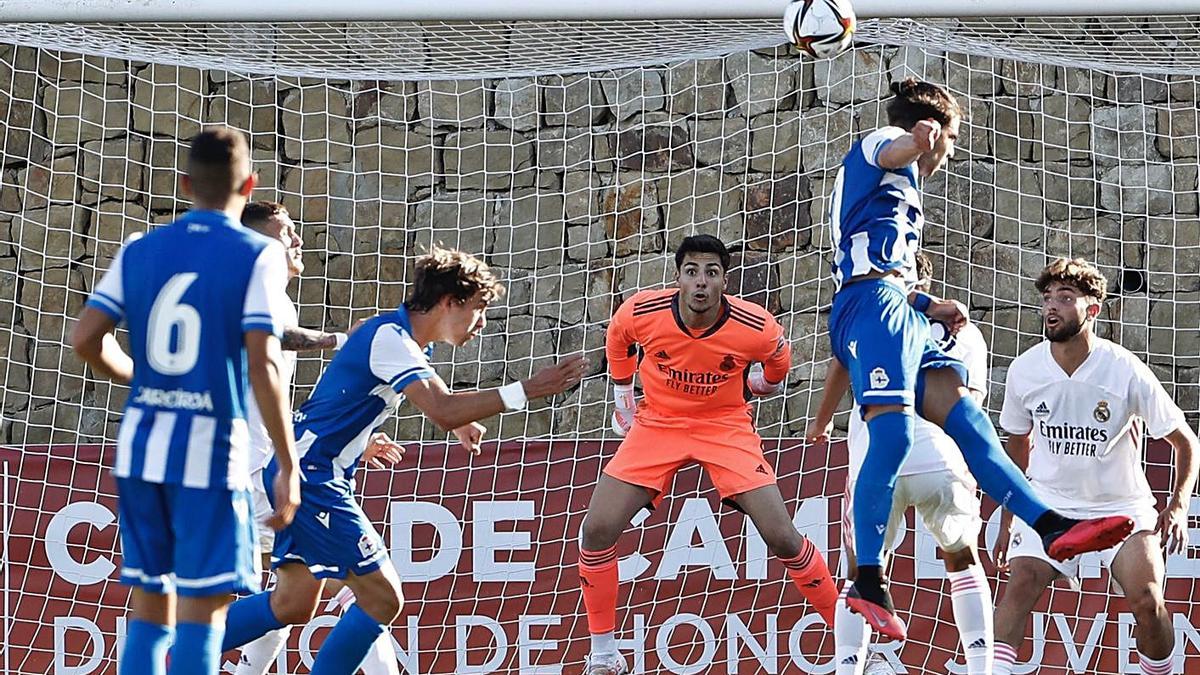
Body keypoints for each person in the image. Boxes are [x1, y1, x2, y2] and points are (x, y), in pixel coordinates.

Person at [828, 77, 1134, 640]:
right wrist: (917, 138)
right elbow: (894, 149)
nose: (949, 150)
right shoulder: (884, 144)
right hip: (873, 309)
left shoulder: (892, 189)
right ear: (936, 131)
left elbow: (871, 256)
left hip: (895, 305)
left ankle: (1050, 524)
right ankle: (868, 576)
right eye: (952, 139)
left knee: (970, 424)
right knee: (891, 438)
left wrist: (926, 301)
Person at [218, 245, 589, 674]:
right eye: (478, 309)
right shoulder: (390, 339)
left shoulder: (400, 340)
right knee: (382, 598)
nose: (482, 323)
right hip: (313, 477)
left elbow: (407, 406)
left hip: (303, 471)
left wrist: (457, 423)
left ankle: (175, 648)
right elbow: (443, 407)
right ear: (450, 302)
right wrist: (528, 388)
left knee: (292, 604)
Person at [71, 127, 300, 675]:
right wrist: (288, 465)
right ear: (250, 183)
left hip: (143, 451)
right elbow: (264, 364)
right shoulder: (256, 256)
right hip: (211, 455)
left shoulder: (139, 249)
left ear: (184, 184)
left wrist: (140, 374)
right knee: (203, 613)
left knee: (150, 609)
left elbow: (85, 339)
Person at [578, 234, 839, 675]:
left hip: (724, 426)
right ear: (678, 278)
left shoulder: (755, 326)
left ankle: (855, 644)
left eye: (712, 273)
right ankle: (604, 654)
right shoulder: (642, 311)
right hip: (659, 422)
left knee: (782, 536)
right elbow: (618, 338)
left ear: (724, 282)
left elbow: (778, 363)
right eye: (692, 272)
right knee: (597, 529)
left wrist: (762, 385)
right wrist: (623, 395)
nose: (701, 282)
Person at [991, 258, 1198, 675]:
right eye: (1048, 298)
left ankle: (1160, 670)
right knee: (1019, 586)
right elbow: (1017, 449)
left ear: (1093, 310)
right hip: (1049, 506)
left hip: (1121, 506)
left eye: (1065, 298)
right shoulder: (1025, 370)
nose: (1052, 307)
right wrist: (1008, 518)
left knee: (1148, 600)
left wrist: (1177, 505)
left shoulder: (1123, 369)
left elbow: (1186, 442)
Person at [233, 200, 402, 675]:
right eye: (286, 231)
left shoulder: (262, 294)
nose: (297, 239)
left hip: (264, 468)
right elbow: (276, 337)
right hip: (250, 473)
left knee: (288, 604)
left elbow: (269, 398)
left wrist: (347, 442)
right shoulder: (255, 290)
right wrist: (341, 341)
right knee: (366, 590)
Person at [809, 251, 992, 674]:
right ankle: (982, 665)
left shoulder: (867, 318)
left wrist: (820, 424)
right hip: (940, 461)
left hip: (877, 466)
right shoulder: (968, 335)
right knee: (962, 558)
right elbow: (970, 407)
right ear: (925, 286)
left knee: (861, 573)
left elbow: (840, 364)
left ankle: (847, 667)